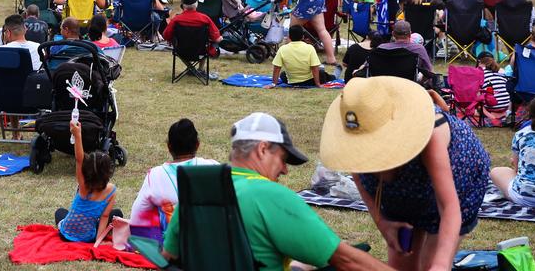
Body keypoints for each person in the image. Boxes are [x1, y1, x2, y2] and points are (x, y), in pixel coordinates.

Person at [163, 112, 390, 271]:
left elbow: (168, 257)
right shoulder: (273, 196)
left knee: (302, 264)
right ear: (263, 149)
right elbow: (347, 261)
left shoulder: (198, 191)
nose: (284, 171)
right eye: (282, 159)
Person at [321, 77, 490, 271]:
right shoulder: (356, 133)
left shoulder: (430, 134)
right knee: (401, 262)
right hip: (401, 192)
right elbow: (359, 178)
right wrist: (382, 222)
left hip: (455, 176)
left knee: (430, 264)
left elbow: (449, 207)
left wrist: (441, 265)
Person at [129, 119, 218, 242]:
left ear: (169, 146)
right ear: (197, 144)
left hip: (173, 248)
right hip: (213, 242)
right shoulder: (214, 168)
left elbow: (137, 218)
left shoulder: (155, 175)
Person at [56, 118, 120, 244]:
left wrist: (77, 135)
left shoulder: (83, 187)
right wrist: (98, 242)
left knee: (60, 212)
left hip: (66, 235)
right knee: (117, 213)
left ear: (88, 170)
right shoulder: (111, 191)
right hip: (88, 238)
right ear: (108, 172)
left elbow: (79, 159)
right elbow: (105, 217)